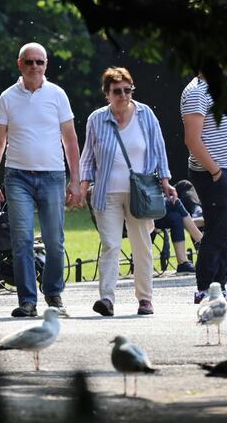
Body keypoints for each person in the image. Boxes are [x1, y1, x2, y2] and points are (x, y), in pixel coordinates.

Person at [0, 42, 83, 318]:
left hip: (53, 175)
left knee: (55, 240)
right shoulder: (7, 97)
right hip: (18, 177)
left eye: (39, 62)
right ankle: (27, 301)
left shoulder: (57, 95)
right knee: (21, 240)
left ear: (46, 65)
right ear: (20, 65)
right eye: (29, 62)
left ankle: (52, 292)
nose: (34, 67)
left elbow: (70, 139)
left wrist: (76, 180)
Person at [80, 67, 178, 316]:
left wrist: (165, 181)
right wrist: (82, 185)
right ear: (107, 93)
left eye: (127, 90)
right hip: (106, 192)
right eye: (117, 91)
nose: (123, 95)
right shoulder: (96, 119)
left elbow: (159, 149)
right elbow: (88, 157)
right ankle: (107, 299)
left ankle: (145, 299)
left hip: (141, 192)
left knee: (142, 245)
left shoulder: (146, 115)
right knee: (111, 245)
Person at [181, 71, 227, 304]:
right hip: (212, 173)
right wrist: (216, 172)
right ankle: (204, 289)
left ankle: (219, 286)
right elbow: (192, 140)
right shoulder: (195, 92)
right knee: (217, 231)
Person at [154, 196, 203, 273]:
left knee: (175, 216)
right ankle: (202, 240)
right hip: (139, 205)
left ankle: (182, 263)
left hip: (151, 205)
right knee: (174, 201)